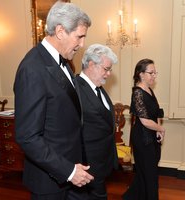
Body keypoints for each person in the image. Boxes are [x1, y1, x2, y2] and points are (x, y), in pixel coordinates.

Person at [13, 1, 94, 200]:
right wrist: (68, 171)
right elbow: (28, 137)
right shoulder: (32, 68)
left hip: (69, 173)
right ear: (60, 31)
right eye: (79, 36)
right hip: (49, 181)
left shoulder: (62, 62)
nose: (82, 44)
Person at [75, 44, 118, 200]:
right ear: (91, 64)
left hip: (101, 163)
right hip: (87, 165)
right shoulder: (75, 88)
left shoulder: (97, 87)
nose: (108, 74)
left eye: (109, 70)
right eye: (106, 69)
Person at [122, 58, 165, 200]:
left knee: (147, 173)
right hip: (142, 137)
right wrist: (161, 129)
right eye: (151, 72)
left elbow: (156, 112)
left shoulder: (150, 90)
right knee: (149, 173)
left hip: (152, 135)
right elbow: (145, 120)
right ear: (141, 74)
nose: (154, 75)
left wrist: (158, 129)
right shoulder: (137, 93)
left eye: (155, 72)